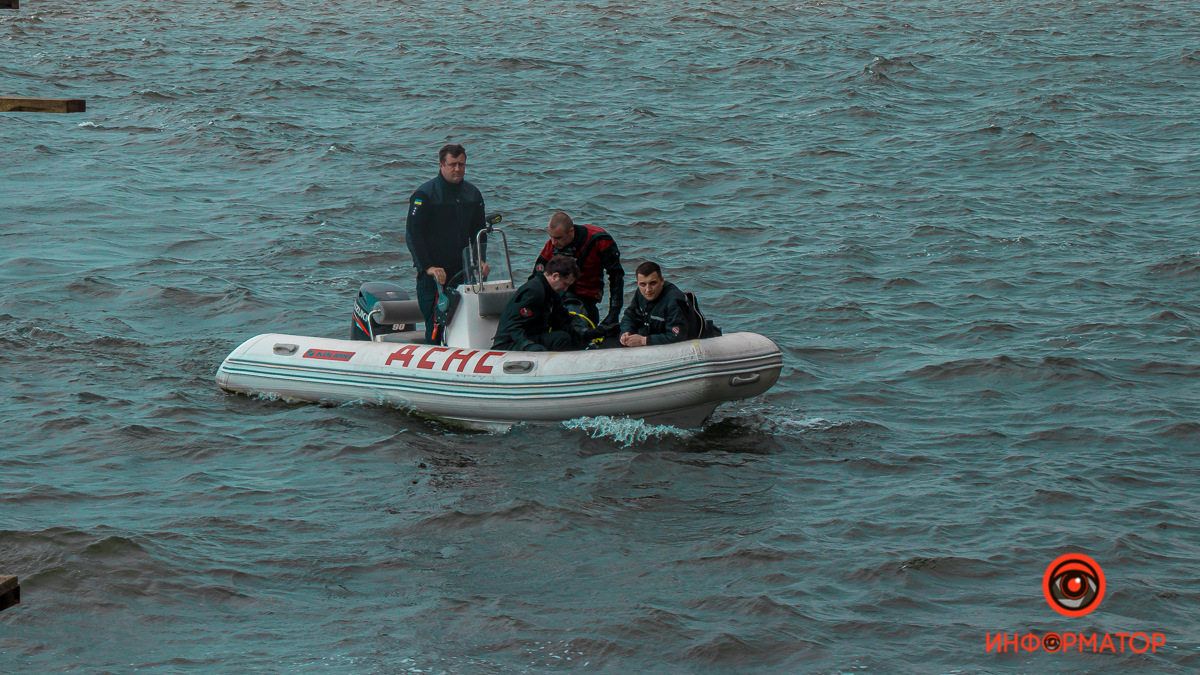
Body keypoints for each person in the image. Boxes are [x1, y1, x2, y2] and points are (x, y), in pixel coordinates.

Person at [405, 143, 489, 343]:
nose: (457, 169)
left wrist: (481, 261)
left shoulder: (473, 194)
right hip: (435, 276)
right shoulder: (424, 195)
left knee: (468, 324)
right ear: (442, 164)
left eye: (461, 164)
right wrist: (427, 267)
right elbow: (413, 235)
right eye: (452, 164)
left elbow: (479, 233)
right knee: (436, 325)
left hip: (463, 272)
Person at [531, 211, 624, 334]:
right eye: (551, 237)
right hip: (558, 294)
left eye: (558, 238)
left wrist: (614, 313)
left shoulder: (599, 240)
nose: (553, 242)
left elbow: (616, 277)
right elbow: (536, 275)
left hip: (586, 296)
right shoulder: (553, 244)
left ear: (571, 231)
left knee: (576, 325)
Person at [492, 255, 581, 352]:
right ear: (555, 276)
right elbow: (513, 326)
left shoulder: (552, 294)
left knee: (565, 337)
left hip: (532, 337)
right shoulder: (534, 291)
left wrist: (588, 334)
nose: (565, 289)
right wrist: (527, 345)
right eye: (565, 284)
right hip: (509, 343)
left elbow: (563, 322)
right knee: (560, 339)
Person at [619, 261, 691, 347]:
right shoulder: (640, 293)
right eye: (643, 284)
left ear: (662, 281)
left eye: (653, 283)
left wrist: (643, 340)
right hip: (652, 333)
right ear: (638, 283)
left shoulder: (674, 300)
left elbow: (677, 336)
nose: (648, 289)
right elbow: (630, 316)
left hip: (685, 341)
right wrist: (626, 332)